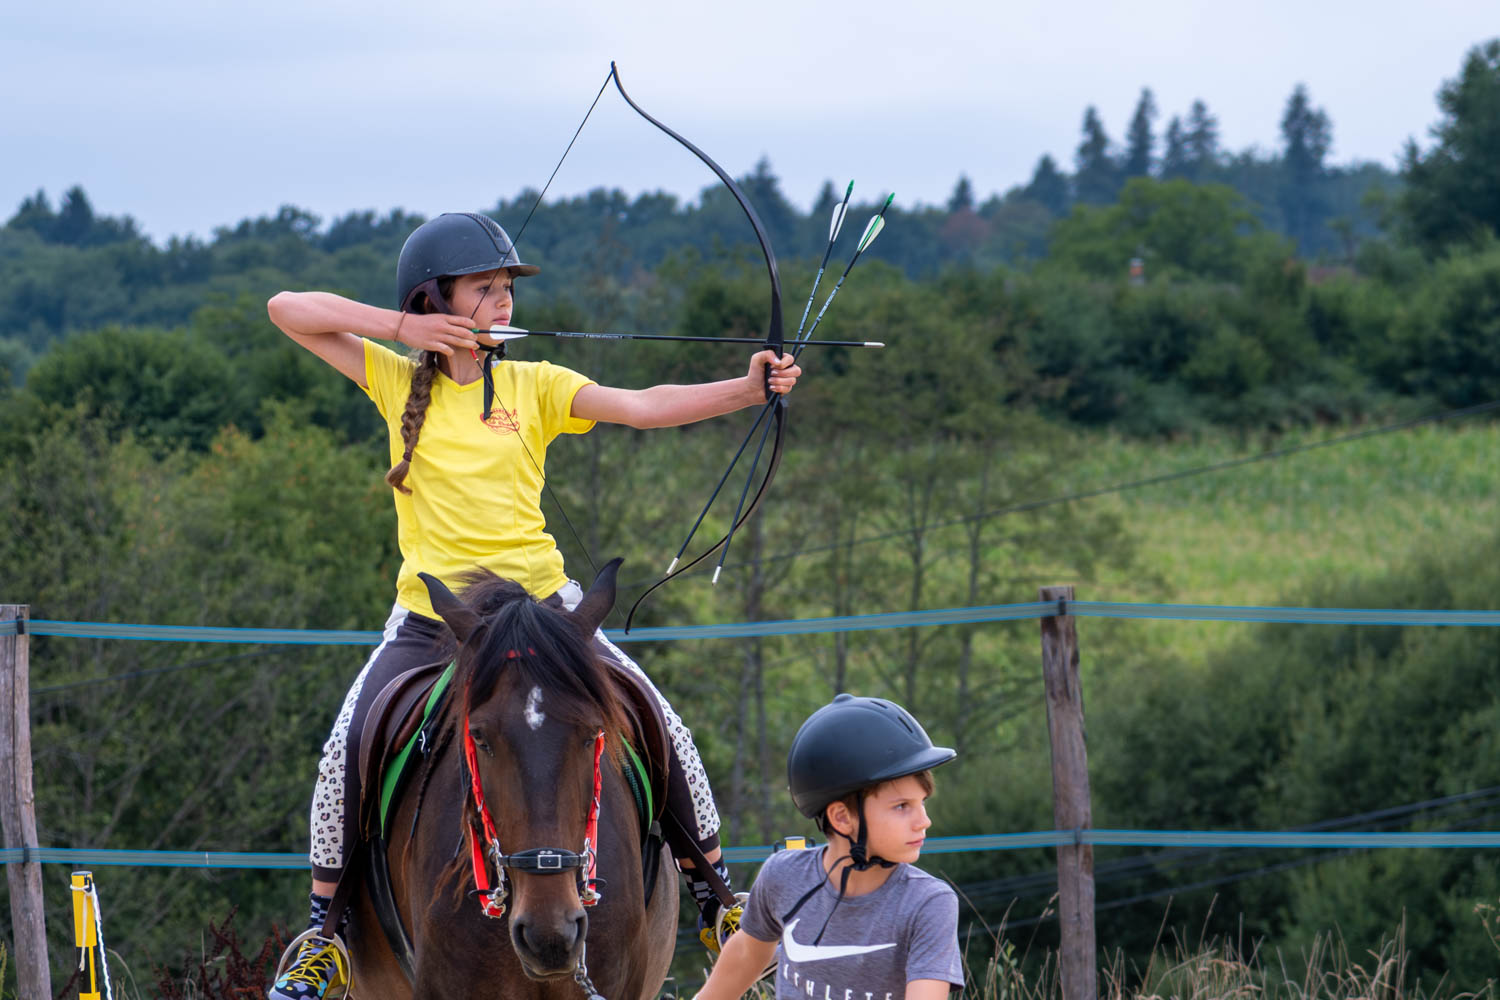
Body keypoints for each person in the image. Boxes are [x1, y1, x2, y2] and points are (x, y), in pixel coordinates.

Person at [263, 211, 802, 1000]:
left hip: (543, 615)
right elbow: (286, 309)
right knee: (348, 743)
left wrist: (748, 389)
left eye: (507, 288)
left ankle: (716, 896)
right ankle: (325, 935)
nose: (504, 303)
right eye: (485, 289)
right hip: (434, 623)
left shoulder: (534, 384)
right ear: (435, 299)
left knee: (658, 717)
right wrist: (406, 329)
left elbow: (646, 404)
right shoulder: (392, 378)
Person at [695, 693, 964, 1000]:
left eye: (921, 803)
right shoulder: (783, 876)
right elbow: (746, 952)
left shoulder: (928, 903)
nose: (923, 821)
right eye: (902, 806)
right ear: (841, 817)